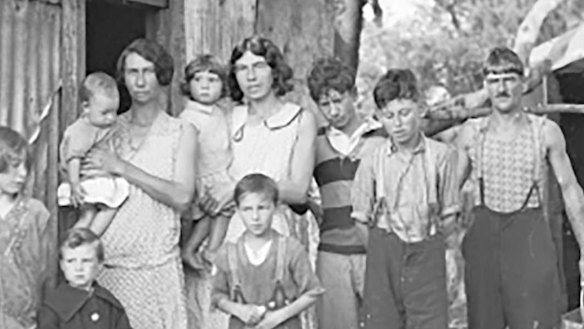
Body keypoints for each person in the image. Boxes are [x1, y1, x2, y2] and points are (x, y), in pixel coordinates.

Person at [457, 46, 584, 329]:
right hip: (484, 245)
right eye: (494, 79)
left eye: (509, 78)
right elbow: (447, 195)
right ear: (485, 85)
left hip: (529, 242)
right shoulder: (471, 132)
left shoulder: (545, 131)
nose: (501, 87)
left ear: (523, 83)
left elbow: (571, 191)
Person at [198, 34, 319, 329]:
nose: (250, 76)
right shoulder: (229, 118)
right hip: (228, 233)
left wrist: (237, 189)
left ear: (274, 70)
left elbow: (299, 189)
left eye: (259, 66)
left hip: (272, 231)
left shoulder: (299, 119)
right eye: (241, 68)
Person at [82, 38, 197, 329]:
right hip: (108, 268)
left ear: (162, 76)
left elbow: (183, 197)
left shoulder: (181, 131)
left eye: (148, 71)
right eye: (133, 72)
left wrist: (123, 168)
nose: (141, 81)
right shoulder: (107, 128)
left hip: (156, 271)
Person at [351, 69, 459, 329]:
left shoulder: (441, 156)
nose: (397, 124)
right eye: (389, 116)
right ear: (379, 118)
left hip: (428, 260)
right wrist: (382, 254)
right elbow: (360, 221)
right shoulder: (371, 161)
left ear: (420, 109)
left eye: (404, 113)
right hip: (385, 264)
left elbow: (450, 216)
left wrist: (445, 254)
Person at [306, 57, 386, 329]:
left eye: (338, 100)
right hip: (332, 255)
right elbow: (300, 192)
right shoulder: (314, 143)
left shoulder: (383, 138)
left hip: (377, 253)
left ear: (354, 94)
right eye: (324, 104)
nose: (332, 110)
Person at [212, 173, 324, 329]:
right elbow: (217, 296)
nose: (255, 217)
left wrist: (279, 316)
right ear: (237, 210)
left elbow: (313, 292)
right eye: (247, 209)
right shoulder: (228, 254)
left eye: (262, 208)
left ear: (275, 207)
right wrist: (238, 309)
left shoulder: (291, 249)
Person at [179, 54, 234, 270]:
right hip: (204, 174)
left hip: (221, 172)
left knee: (214, 214)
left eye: (212, 80)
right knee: (218, 211)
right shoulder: (188, 118)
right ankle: (209, 249)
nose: (204, 86)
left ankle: (197, 249)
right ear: (188, 85)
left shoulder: (221, 113)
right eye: (198, 80)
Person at [57, 72, 129, 236]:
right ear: (86, 107)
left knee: (88, 215)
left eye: (114, 112)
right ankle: (90, 239)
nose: (111, 118)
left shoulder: (103, 126)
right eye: (105, 113)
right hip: (88, 181)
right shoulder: (82, 130)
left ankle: (75, 242)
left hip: (95, 179)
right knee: (112, 204)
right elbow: (74, 158)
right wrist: (74, 184)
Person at [0, 126, 57, 329]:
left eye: (26, 166)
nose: (22, 174)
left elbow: (48, 274)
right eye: (14, 166)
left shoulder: (36, 213)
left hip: (28, 323)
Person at [37, 228, 132, 329]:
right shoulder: (52, 307)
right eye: (71, 261)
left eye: (86, 261)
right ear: (62, 265)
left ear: (99, 264)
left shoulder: (110, 305)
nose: (78, 268)